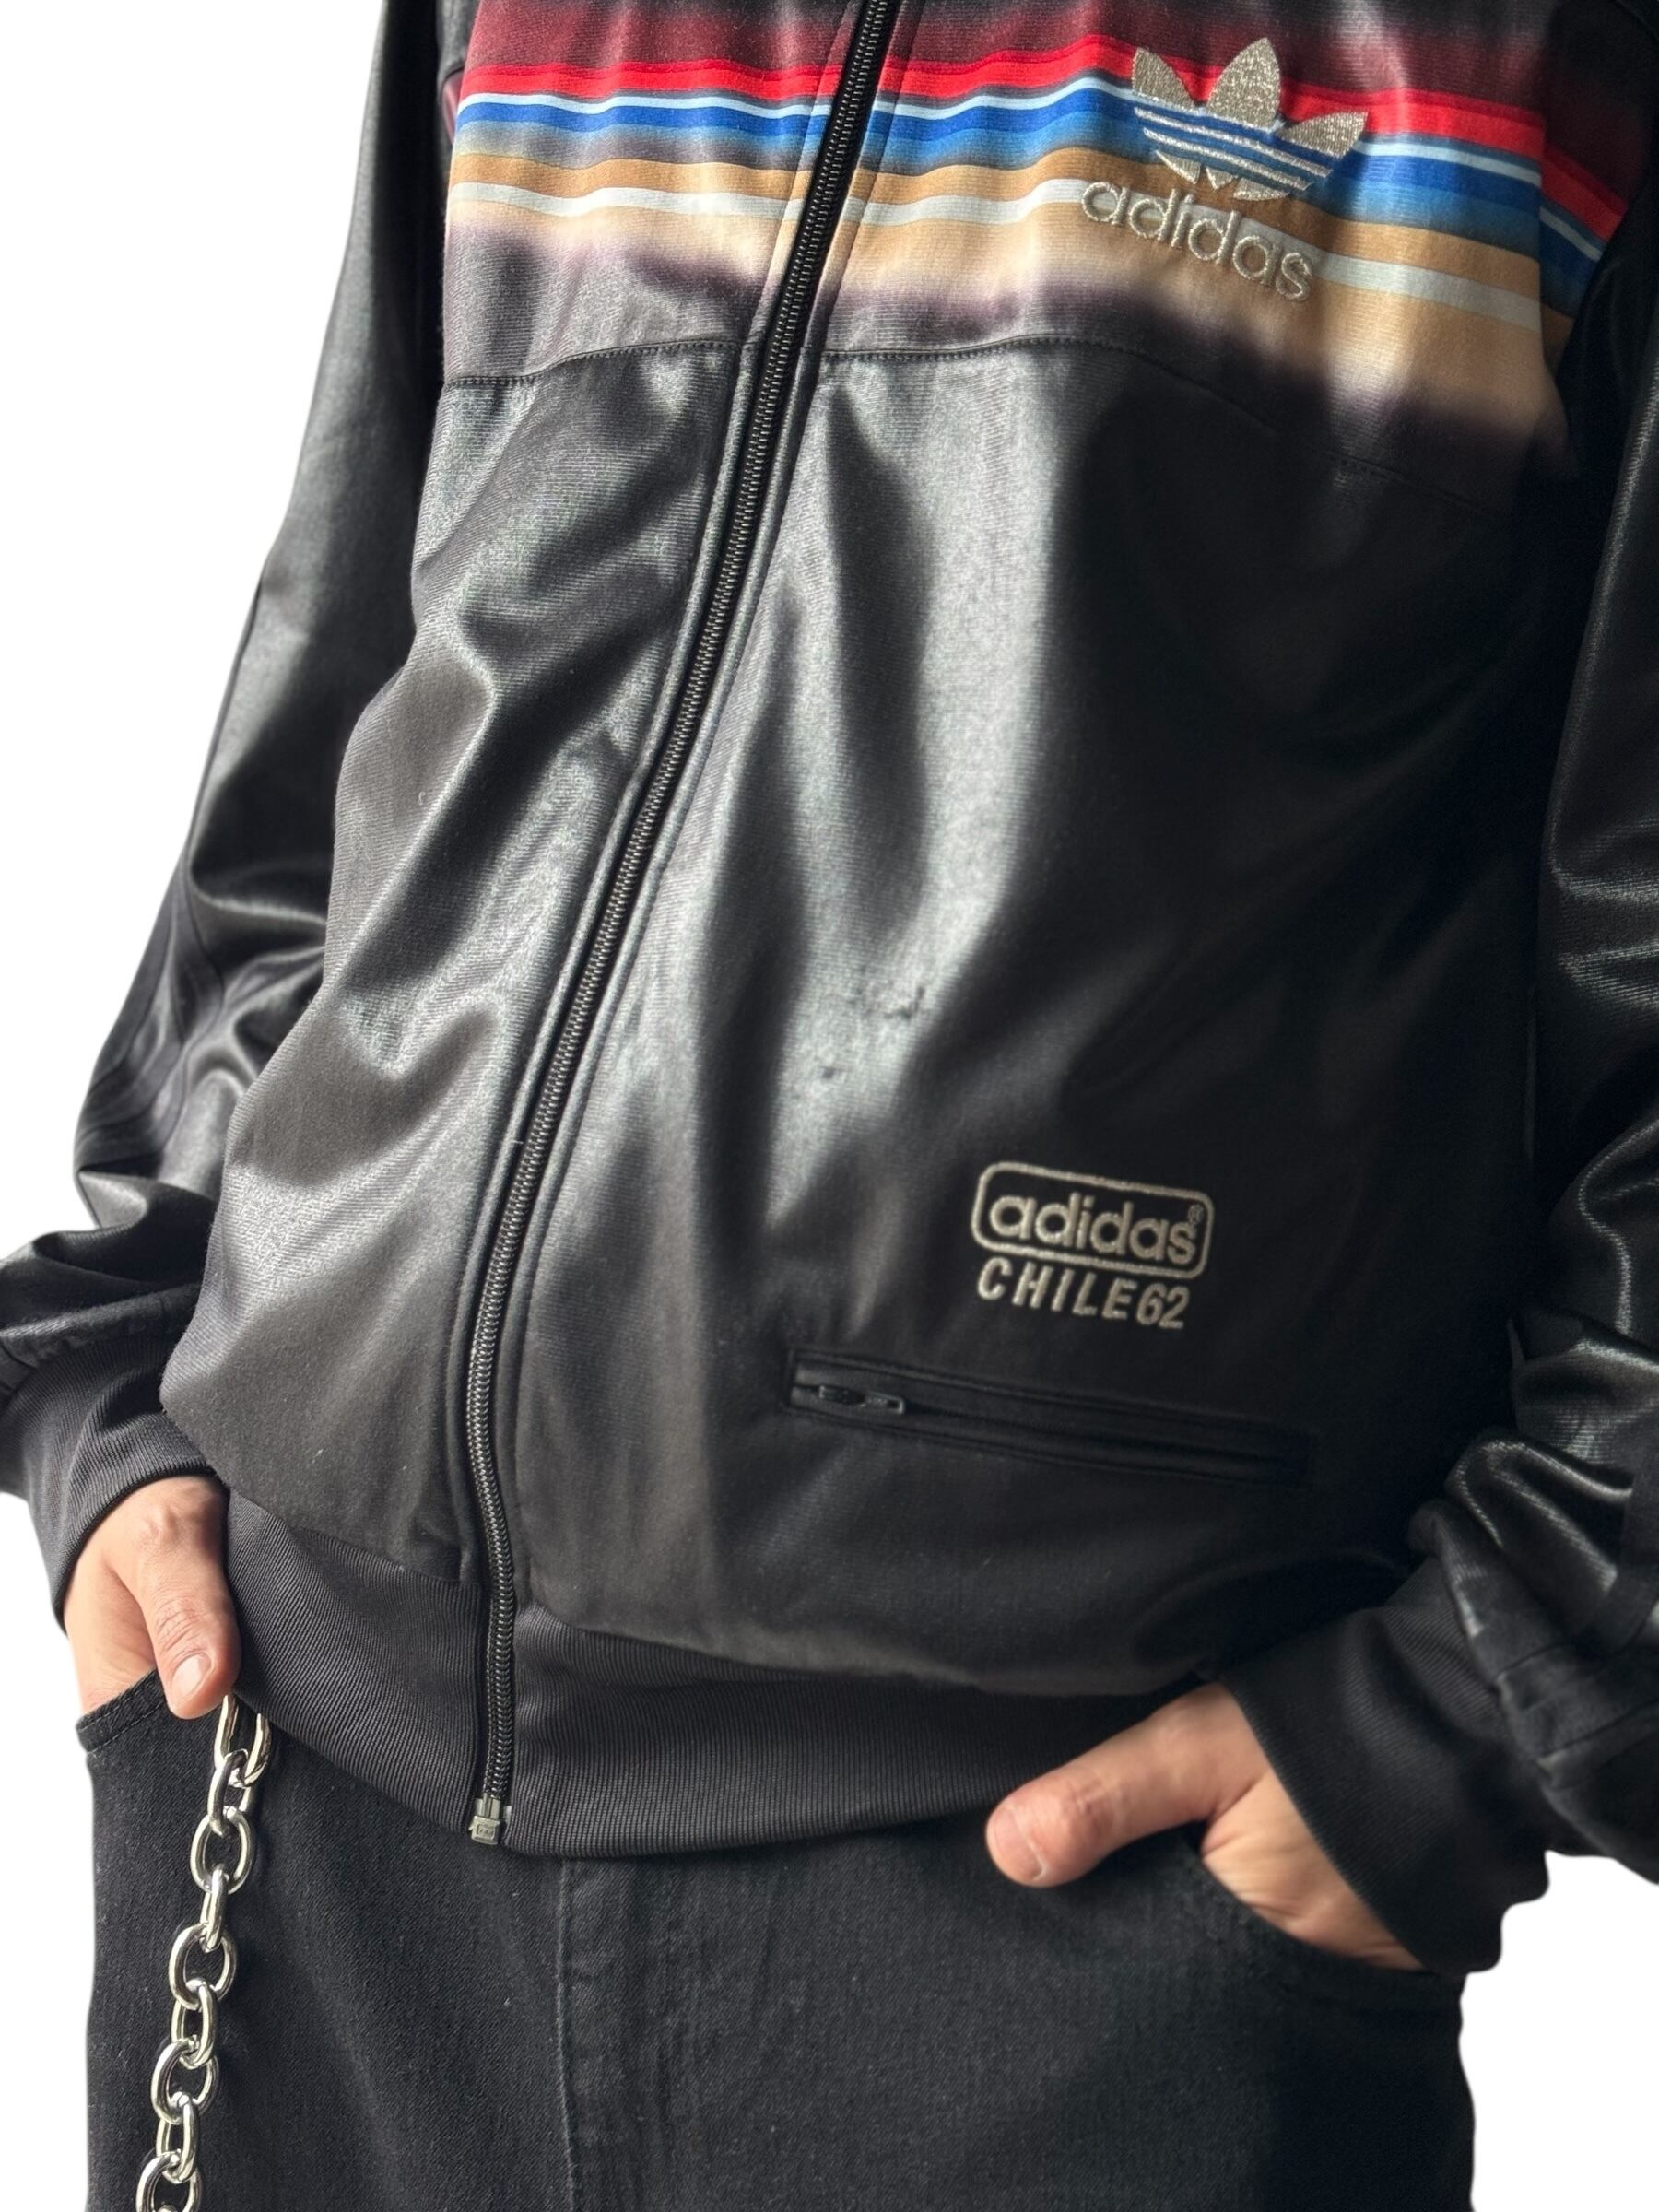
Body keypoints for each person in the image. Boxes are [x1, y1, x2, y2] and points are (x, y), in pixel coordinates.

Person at [6, 1, 1659, 2205]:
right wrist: (126, 1375)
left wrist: (1475, 1704)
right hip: (297, 1798)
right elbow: (340, 713)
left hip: (1065, 1908)